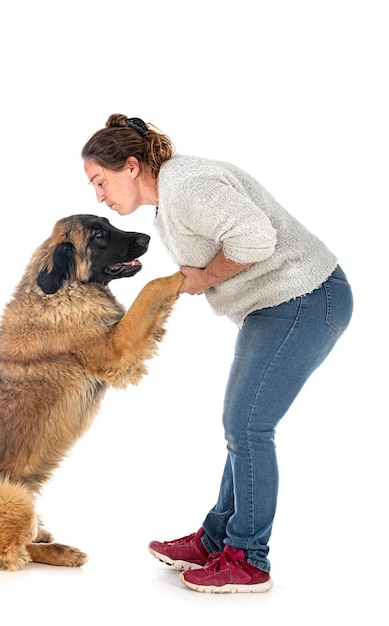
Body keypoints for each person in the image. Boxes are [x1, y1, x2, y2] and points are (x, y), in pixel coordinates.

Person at [81, 114, 353, 594]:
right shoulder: (171, 198)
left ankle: (249, 559)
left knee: (248, 426)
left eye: (100, 182)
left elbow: (256, 239)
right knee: (241, 425)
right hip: (278, 306)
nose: (100, 196)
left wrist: (205, 277)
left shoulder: (186, 186)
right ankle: (217, 541)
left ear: (130, 166)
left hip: (306, 298)